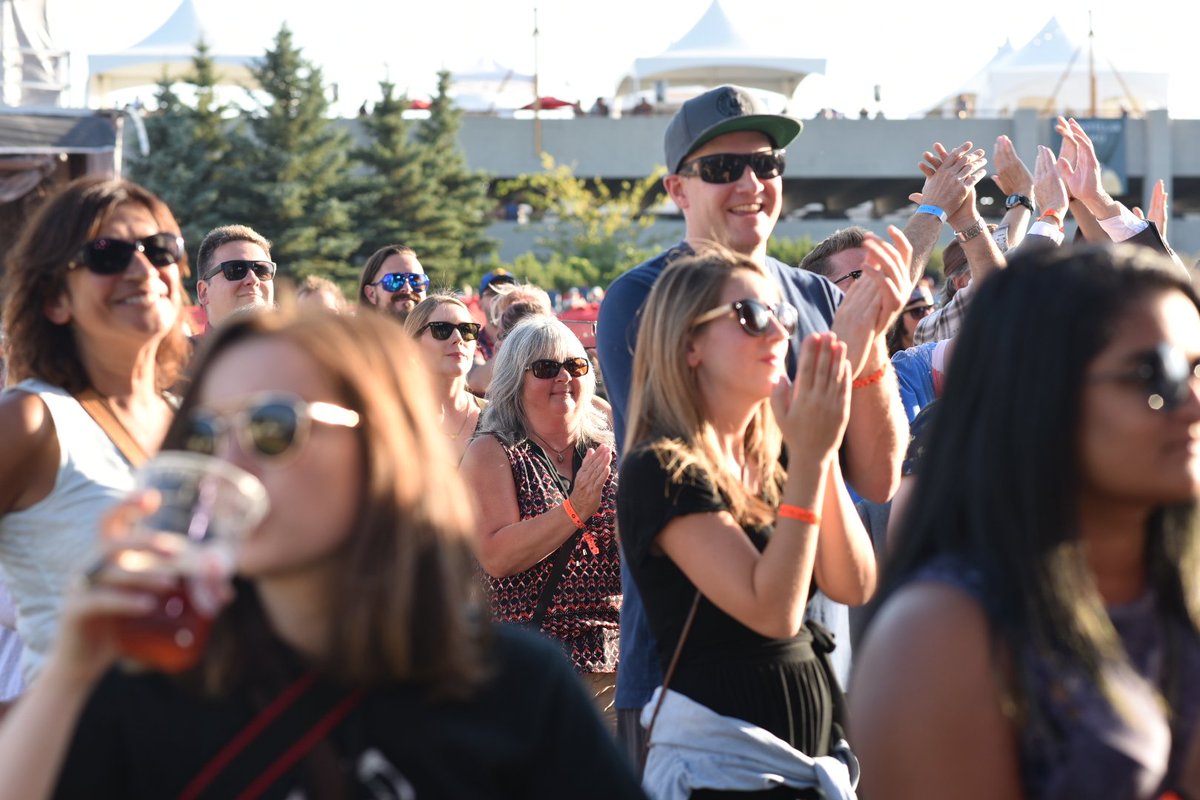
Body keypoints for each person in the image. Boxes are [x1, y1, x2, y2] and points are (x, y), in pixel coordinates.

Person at [0, 311, 645, 799]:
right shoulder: (156, 685)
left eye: (273, 426)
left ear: (376, 450)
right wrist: (71, 674)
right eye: (204, 431)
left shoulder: (511, 688)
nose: (229, 461)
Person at [596, 83, 908, 764]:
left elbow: (877, 478)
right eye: (723, 168)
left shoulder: (816, 293)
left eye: (766, 165)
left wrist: (869, 342)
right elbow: (690, 451)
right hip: (698, 691)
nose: (751, 182)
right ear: (679, 190)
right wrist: (814, 423)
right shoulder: (644, 298)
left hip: (817, 678)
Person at [851, 245, 1200, 799]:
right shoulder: (944, 636)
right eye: (1155, 374)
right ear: (1040, 391)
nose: (1193, 405)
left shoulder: (1178, 590)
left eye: (1197, 368)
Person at [619, 246, 869, 798]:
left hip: (809, 765)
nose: (779, 333)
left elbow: (853, 582)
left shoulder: (781, 456)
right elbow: (773, 612)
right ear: (689, 344)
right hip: (720, 774)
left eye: (783, 316)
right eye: (752, 317)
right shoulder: (659, 466)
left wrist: (817, 455)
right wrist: (810, 454)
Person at [0, 176, 189, 684]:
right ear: (55, 300)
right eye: (106, 253)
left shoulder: (192, 424)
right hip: (70, 755)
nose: (143, 268)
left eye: (161, 249)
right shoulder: (31, 419)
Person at [460, 316, 621, 726]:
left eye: (576, 366)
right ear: (516, 381)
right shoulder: (492, 452)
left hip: (622, 661)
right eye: (547, 368)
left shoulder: (606, 449)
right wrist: (574, 510)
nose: (564, 377)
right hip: (536, 670)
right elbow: (496, 554)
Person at [403, 294, 485, 462]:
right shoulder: (394, 416)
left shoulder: (498, 417)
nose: (458, 339)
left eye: (467, 330)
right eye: (442, 330)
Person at [195, 225, 276, 330]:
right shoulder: (183, 347)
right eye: (236, 270)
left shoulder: (299, 345)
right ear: (203, 292)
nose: (253, 279)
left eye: (261, 270)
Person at [356, 244, 429, 321]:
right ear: (371, 294)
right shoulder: (350, 333)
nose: (407, 288)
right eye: (394, 281)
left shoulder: (439, 331)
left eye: (416, 281)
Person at [886, 285, 934, 356]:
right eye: (918, 311)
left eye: (930, 308)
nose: (928, 315)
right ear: (897, 319)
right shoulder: (886, 361)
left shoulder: (943, 356)